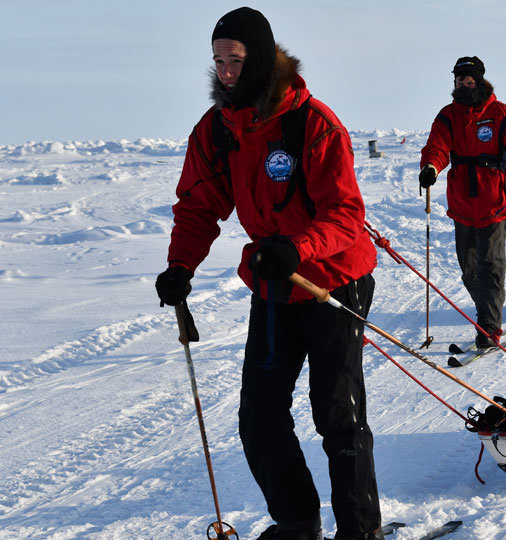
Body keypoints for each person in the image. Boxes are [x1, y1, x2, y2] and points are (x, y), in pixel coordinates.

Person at [154, 8, 383, 540]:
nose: (225, 71)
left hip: (332, 282)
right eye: (218, 60)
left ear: (259, 60)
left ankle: (360, 529)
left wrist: (298, 247)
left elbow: (346, 214)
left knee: (337, 415)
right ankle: (298, 522)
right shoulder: (216, 130)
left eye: (235, 60)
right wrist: (180, 266)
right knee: (259, 417)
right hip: (273, 284)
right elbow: (198, 205)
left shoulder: (313, 123)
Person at [418, 56, 506, 349]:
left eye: (469, 81)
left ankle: (488, 326)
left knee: (490, 266)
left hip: (493, 205)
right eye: (458, 81)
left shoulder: (501, 114)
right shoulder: (448, 116)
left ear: (480, 81)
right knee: (469, 269)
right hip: (462, 206)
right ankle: (488, 309)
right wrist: (431, 167)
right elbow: (437, 147)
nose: (463, 85)